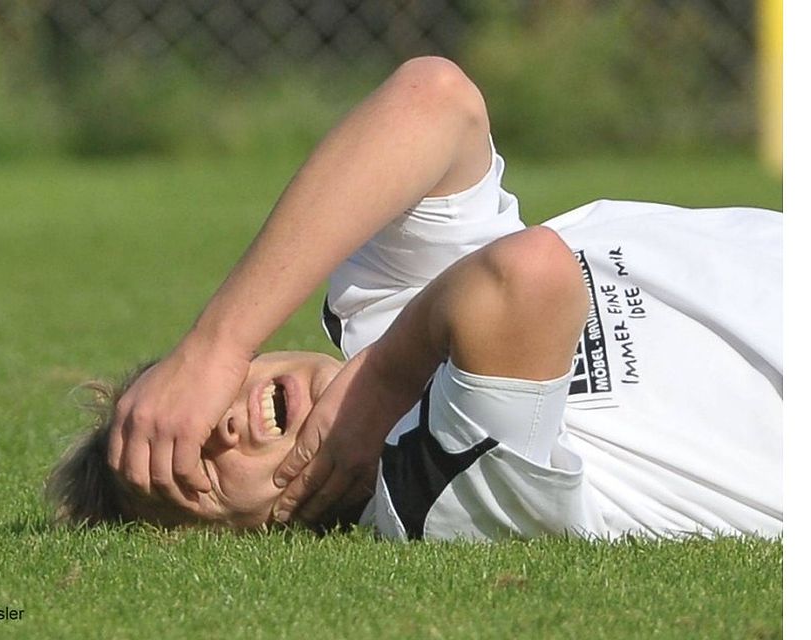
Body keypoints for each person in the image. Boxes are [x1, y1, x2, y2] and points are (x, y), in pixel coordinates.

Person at [46, 57, 782, 540]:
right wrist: (391, 375)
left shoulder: (377, 305)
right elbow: (527, 278)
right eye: (196, 471)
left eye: (195, 405)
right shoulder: (429, 494)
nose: (223, 423)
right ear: (258, 529)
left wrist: (214, 345)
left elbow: (438, 98)